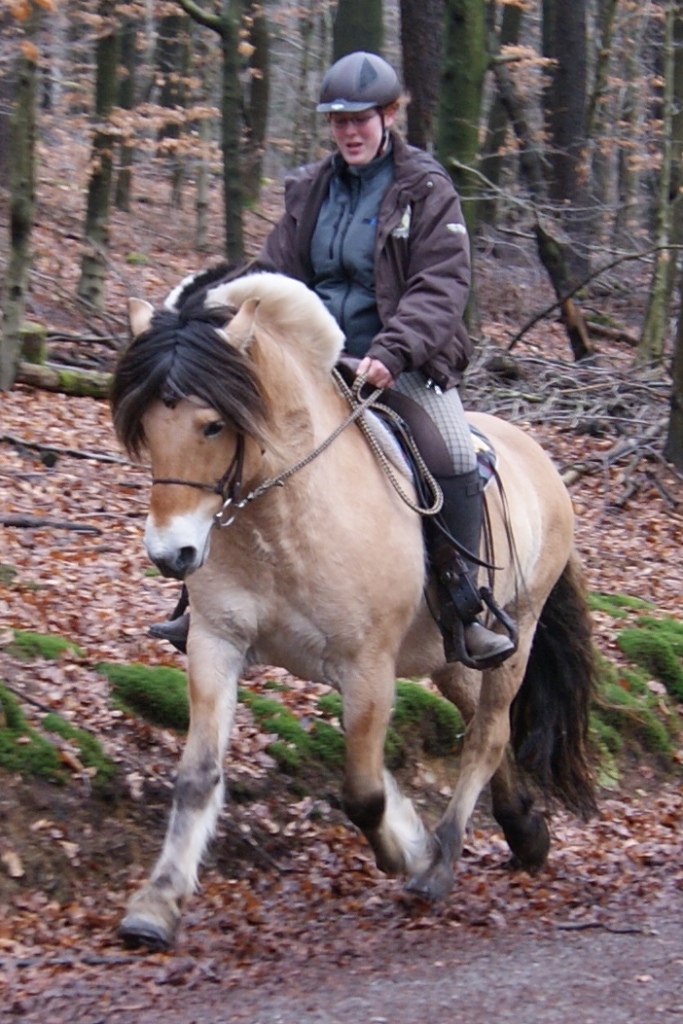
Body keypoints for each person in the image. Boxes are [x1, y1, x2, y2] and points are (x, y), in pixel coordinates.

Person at [152, 51, 514, 668]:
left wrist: (389, 353)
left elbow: (442, 286)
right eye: (338, 120)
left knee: (452, 454)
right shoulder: (309, 188)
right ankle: (202, 601)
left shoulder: (426, 189)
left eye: (361, 119)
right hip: (312, 364)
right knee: (227, 435)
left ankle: (462, 600)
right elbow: (273, 273)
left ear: (389, 116)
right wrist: (210, 320)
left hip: (402, 363)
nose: (349, 131)